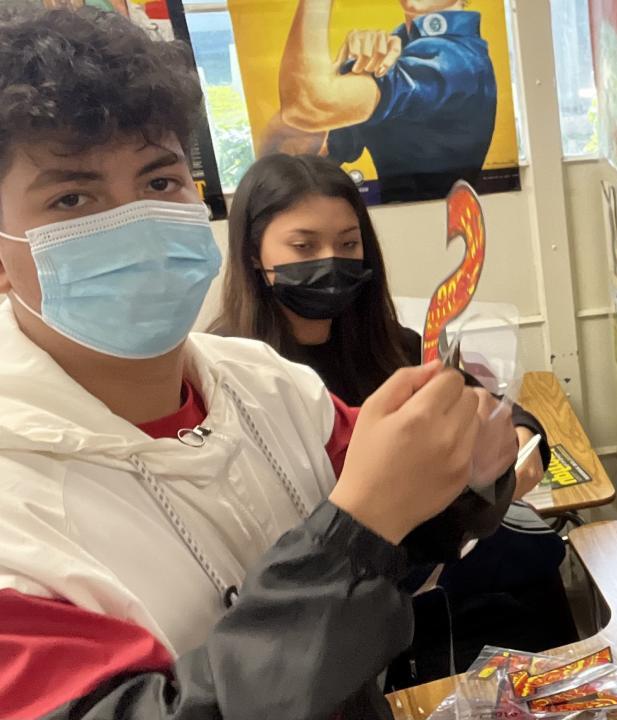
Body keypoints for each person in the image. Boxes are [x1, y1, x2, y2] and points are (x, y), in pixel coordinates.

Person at [0, 6, 518, 717]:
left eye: (160, 183)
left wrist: (469, 475)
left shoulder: (270, 386)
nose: (136, 222)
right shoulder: (16, 519)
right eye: (72, 197)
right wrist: (360, 526)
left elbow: (405, 535)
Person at [211, 152, 575, 686]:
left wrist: (520, 441)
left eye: (348, 244)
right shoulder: (227, 373)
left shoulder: (389, 345)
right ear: (253, 254)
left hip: (444, 571)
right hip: (347, 619)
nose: (331, 262)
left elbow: (493, 408)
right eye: (304, 247)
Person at [265, 0, 495, 199]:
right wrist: (339, 69)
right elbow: (295, 152)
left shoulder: (456, 60)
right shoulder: (399, 45)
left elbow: (309, 106)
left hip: (429, 224)